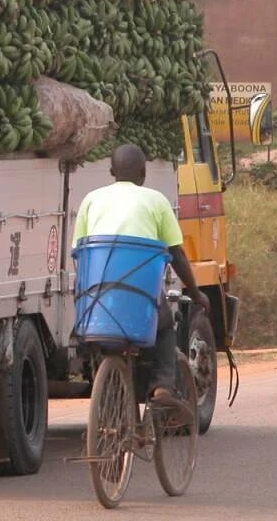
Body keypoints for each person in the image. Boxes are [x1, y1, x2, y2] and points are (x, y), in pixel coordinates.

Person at [74, 143, 211, 409]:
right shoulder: (156, 200)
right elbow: (177, 255)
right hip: (140, 295)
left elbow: (79, 252)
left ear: (111, 171)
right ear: (143, 172)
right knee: (165, 324)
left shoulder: (90, 200)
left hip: (97, 299)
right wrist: (195, 293)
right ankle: (162, 386)